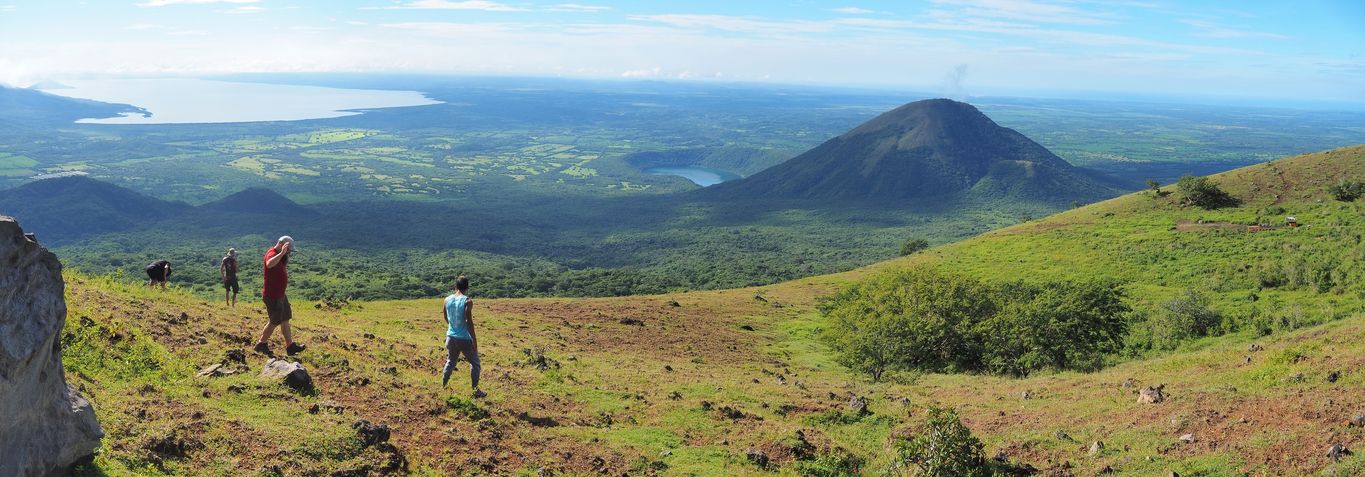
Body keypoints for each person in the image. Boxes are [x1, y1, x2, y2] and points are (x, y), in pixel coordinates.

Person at [254, 236, 305, 356]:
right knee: (274, 321)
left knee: (285, 319)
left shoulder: (280, 255)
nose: (289, 252)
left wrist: (284, 255)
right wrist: (282, 253)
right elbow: (269, 264)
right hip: (273, 296)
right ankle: (261, 344)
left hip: (280, 294)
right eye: (288, 250)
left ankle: (290, 346)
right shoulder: (272, 253)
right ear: (282, 245)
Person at [441, 275, 484, 398]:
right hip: (464, 338)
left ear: (456, 286)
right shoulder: (467, 301)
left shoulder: (447, 299)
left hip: (450, 337)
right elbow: (469, 322)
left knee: (451, 361)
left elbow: (445, 317)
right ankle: (475, 391)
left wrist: (453, 327)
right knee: (475, 363)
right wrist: (474, 340)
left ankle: (443, 385)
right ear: (467, 287)